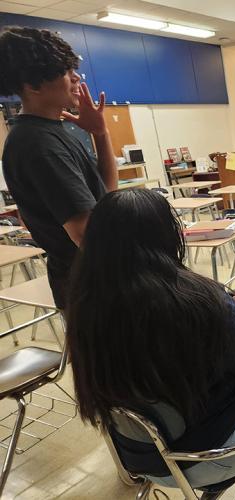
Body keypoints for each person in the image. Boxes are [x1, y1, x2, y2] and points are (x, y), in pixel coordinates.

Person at [65, 188, 235, 489]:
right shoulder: (193, 300)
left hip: (138, 453)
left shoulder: (84, 307)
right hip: (200, 456)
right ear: (167, 237)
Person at [0, 27, 117, 309]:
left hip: (94, 276)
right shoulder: (39, 144)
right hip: (94, 285)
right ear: (33, 86)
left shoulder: (54, 132)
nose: (76, 77)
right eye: (65, 71)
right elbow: (84, 234)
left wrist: (100, 134)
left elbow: (108, 196)